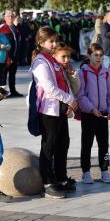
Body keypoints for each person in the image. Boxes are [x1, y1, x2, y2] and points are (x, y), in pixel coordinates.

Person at [31, 27, 78, 199]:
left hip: (61, 108)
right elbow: (49, 88)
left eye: (55, 40)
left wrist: (70, 100)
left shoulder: (53, 60)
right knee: (49, 145)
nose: (54, 44)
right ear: (41, 43)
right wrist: (69, 99)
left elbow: (64, 82)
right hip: (48, 110)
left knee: (63, 143)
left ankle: (61, 176)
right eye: (51, 41)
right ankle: (47, 182)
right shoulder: (40, 62)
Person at [77, 43, 110, 184]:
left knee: (104, 144)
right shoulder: (83, 73)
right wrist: (91, 109)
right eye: (96, 55)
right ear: (89, 56)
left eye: (101, 55)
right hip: (89, 114)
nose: (99, 58)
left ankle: (104, 170)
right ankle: (86, 172)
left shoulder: (105, 73)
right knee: (86, 144)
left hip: (103, 114)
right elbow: (80, 95)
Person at [0, 10, 22, 97]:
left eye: (12, 16)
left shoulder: (15, 28)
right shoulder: (2, 27)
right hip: (5, 57)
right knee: (3, 75)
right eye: (8, 16)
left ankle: (13, 91)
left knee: (12, 74)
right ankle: (2, 93)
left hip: (14, 56)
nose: (10, 18)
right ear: (4, 17)